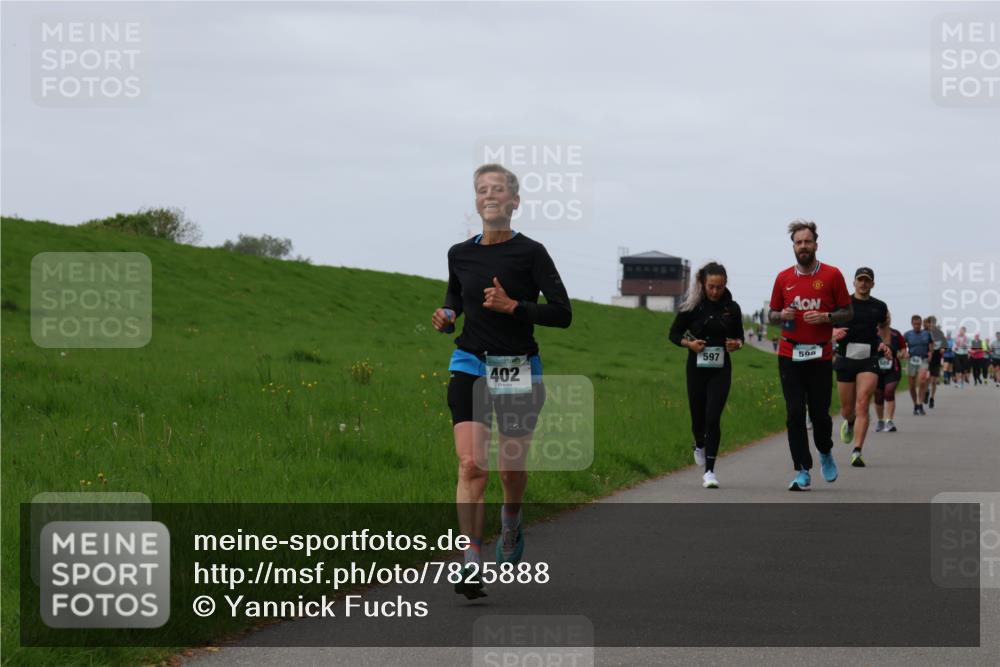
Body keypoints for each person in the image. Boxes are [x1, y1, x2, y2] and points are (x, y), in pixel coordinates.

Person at [432, 163, 572, 599]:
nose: (489, 196)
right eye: (481, 190)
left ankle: (511, 519)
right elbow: (456, 295)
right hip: (470, 361)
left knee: (511, 470)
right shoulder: (460, 252)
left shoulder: (531, 252)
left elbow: (562, 313)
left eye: (498, 190)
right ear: (476, 200)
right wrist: (448, 314)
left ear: (514, 201)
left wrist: (514, 306)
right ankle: (470, 558)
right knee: (472, 464)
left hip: (517, 367)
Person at [768, 220, 853, 491]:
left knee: (819, 414)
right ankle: (802, 470)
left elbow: (848, 313)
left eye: (807, 241)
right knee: (794, 413)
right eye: (798, 242)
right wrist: (781, 315)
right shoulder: (783, 278)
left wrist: (826, 316)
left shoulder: (832, 275)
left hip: (820, 356)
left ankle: (825, 452)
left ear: (816, 244)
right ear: (793, 246)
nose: (803, 246)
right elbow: (771, 316)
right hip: (789, 353)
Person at [669, 262, 745, 488]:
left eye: (719, 287)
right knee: (698, 419)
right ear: (703, 284)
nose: (715, 291)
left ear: (725, 285)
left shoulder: (732, 308)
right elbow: (673, 334)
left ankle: (709, 471)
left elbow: (740, 337)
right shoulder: (691, 306)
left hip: (721, 368)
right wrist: (689, 344)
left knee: (713, 417)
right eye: (711, 286)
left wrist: (736, 344)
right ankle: (699, 442)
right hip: (696, 367)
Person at [831, 267, 890, 467]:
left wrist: (884, 343)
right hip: (846, 358)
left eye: (867, 280)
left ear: (872, 284)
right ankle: (849, 422)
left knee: (863, 401)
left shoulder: (879, 307)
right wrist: (834, 331)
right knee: (848, 410)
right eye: (860, 280)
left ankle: (857, 450)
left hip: (869, 359)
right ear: (854, 282)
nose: (863, 283)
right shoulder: (842, 304)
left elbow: (884, 327)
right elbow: (827, 323)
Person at [874, 313, 906, 433]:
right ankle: (880, 421)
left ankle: (889, 421)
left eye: (887, 317)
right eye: (883, 317)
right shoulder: (872, 333)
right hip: (876, 369)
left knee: (889, 391)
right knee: (878, 394)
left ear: (890, 319)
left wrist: (903, 353)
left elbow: (903, 348)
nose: (885, 319)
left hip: (893, 369)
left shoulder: (896, 334)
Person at [903, 315, 934, 415]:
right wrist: (905, 352)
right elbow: (902, 346)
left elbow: (931, 344)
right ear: (912, 324)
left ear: (921, 324)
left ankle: (920, 404)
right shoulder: (907, 334)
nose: (917, 326)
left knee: (922, 380)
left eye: (919, 324)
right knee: (911, 385)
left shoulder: (927, 334)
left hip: (923, 359)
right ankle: (915, 404)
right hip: (912, 360)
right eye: (915, 324)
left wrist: (930, 353)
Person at [925, 316, 946, 408]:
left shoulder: (939, 333)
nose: (932, 324)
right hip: (926, 357)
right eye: (930, 322)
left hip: (937, 357)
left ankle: (932, 398)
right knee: (926, 378)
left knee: (934, 380)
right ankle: (926, 391)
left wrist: (942, 348)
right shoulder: (925, 333)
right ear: (928, 323)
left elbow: (944, 344)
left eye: (934, 322)